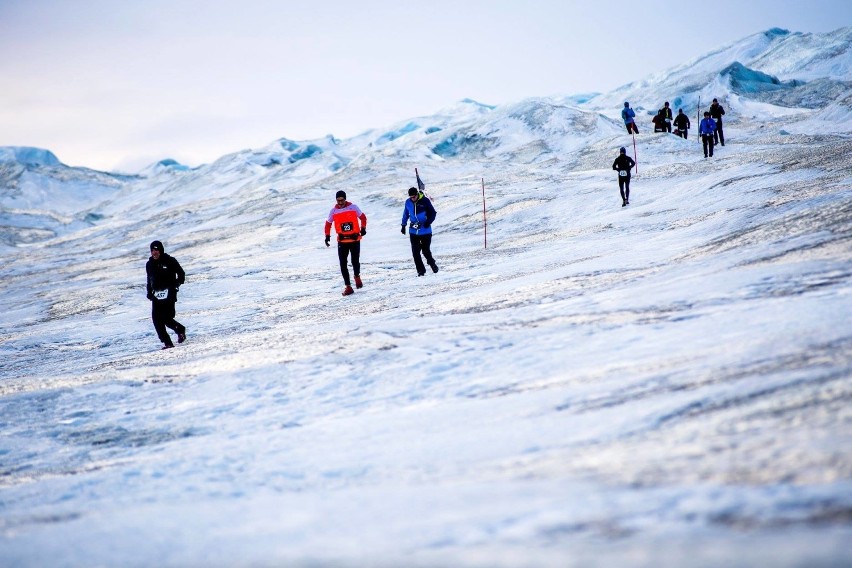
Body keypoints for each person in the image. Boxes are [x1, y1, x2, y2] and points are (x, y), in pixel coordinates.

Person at [325, 190, 367, 296]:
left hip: (354, 239)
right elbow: (328, 224)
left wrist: (363, 228)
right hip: (342, 241)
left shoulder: (353, 207)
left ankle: (357, 276)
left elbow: (363, 218)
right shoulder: (333, 211)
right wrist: (327, 236)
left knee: (355, 261)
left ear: (345, 199)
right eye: (338, 200)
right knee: (343, 264)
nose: (340, 203)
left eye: (342, 200)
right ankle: (348, 286)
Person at [146, 240, 186, 349]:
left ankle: (180, 330)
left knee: (166, 318)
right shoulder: (149, 264)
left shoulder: (170, 261)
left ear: (161, 250)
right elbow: (149, 280)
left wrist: (176, 284)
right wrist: (149, 292)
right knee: (156, 319)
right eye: (152, 250)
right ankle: (167, 342)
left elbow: (181, 274)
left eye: (156, 250)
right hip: (157, 294)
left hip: (169, 292)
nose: (154, 253)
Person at [401, 186, 438, 276]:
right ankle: (421, 271)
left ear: (417, 194)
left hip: (425, 230)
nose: (412, 199)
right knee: (415, 252)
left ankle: (432, 263)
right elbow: (405, 214)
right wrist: (403, 225)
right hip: (413, 231)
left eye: (414, 197)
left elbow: (433, 213)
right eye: (411, 197)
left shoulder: (425, 201)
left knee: (425, 251)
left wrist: (428, 222)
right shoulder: (408, 202)